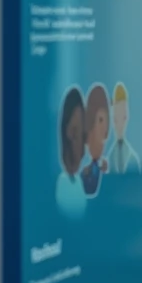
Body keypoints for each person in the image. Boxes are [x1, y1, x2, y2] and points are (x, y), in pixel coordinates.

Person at [56, 87, 87, 219]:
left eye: (82, 134)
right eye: (75, 132)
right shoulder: (60, 182)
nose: (79, 143)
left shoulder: (82, 181)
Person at [81, 83, 110, 196]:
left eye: (104, 121)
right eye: (100, 120)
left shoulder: (103, 163)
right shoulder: (84, 162)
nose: (103, 129)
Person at [108, 82, 141, 174]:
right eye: (115, 119)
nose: (119, 125)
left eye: (123, 118)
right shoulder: (110, 158)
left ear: (126, 117)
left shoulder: (133, 159)